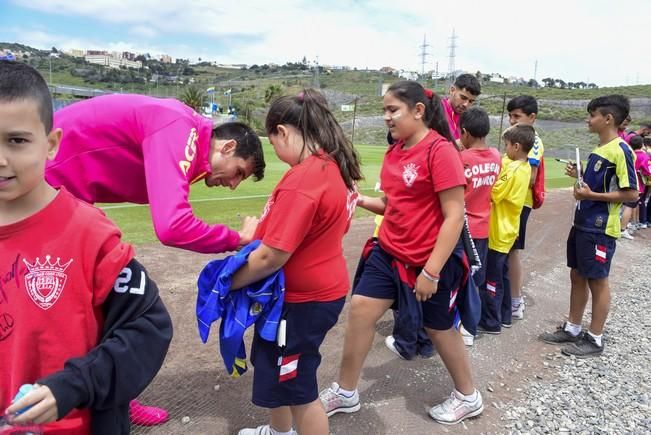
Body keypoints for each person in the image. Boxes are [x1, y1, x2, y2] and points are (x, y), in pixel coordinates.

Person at [0, 61, 172, 434]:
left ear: (50, 145)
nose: (1, 159)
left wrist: (73, 385)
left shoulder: (87, 232)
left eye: (16, 140)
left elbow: (148, 328)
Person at [320, 81, 483, 425]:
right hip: (389, 252)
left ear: (418, 111)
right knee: (361, 309)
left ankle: (468, 396)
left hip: (429, 260)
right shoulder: (394, 152)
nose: (386, 118)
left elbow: (455, 215)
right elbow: (393, 205)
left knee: (439, 329)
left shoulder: (440, 151)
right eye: (384, 111)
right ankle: (346, 391)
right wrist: (361, 200)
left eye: (392, 110)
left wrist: (431, 272)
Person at [231, 89, 362, 435]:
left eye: (272, 141)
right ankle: (279, 432)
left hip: (304, 301)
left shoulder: (305, 178)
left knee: (298, 386)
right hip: (310, 293)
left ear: (283, 132)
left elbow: (271, 256)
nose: (274, 149)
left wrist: (225, 283)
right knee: (277, 370)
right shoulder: (332, 166)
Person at [46, 93, 265, 254]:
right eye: (238, 172)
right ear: (227, 147)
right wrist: (236, 239)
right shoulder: (181, 130)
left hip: (65, 187)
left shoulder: (188, 134)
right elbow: (172, 226)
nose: (233, 185)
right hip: (48, 171)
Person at [539, 95, 638, 358]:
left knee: (597, 280)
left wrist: (591, 196)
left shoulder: (621, 150)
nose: (587, 119)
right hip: (582, 223)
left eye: (592, 115)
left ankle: (594, 338)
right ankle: (572, 328)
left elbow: (631, 194)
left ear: (608, 119)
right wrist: (580, 175)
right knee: (577, 275)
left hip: (600, 228)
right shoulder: (599, 149)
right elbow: (599, 184)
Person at [478, 124, 533, 334]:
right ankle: (505, 315)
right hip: (509, 228)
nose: (505, 149)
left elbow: (494, 192)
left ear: (516, 146)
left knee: (491, 278)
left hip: (499, 231)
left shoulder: (512, 169)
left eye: (507, 145)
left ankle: (491, 321)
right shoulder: (524, 166)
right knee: (502, 275)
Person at [458, 107, 502, 343]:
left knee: (457, 277)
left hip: (463, 227)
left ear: (464, 132)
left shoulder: (462, 158)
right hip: (483, 227)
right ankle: (469, 325)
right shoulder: (496, 156)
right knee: (476, 278)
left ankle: (464, 327)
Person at [506, 95, 545, 320]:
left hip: (520, 202)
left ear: (532, 117)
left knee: (512, 251)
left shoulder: (534, 141)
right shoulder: (519, 135)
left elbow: (529, 177)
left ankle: (515, 300)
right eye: (510, 116)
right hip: (514, 201)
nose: (512, 120)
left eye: (517, 116)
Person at [441, 73, 482, 146]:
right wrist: (453, 146)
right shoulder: (436, 111)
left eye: (471, 101)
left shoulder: (468, 118)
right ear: (452, 90)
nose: (466, 104)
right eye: (463, 98)